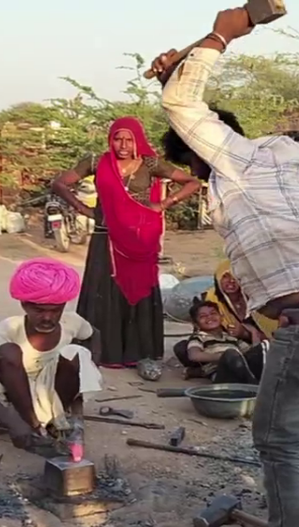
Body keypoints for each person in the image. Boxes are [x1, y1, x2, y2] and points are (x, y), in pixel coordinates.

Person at [153, 8, 299, 527]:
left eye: (183, 162)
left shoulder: (237, 158)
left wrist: (223, 31)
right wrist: (175, 66)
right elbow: (180, 94)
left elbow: (183, 104)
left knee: (279, 439)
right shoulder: (262, 169)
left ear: (198, 148)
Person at [51, 117, 201, 379]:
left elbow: (192, 182)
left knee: (139, 291)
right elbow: (60, 183)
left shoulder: (150, 163)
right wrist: (84, 209)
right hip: (105, 236)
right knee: (104, 291)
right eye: (118, 138)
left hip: (139, 238)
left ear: (137, 140)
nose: (122, 144)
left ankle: (141, 353)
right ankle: (99, 351)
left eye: (128, 139)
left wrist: (163, 204)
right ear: (111, 139)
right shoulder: (97, 162)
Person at [0, 258, 102, 455]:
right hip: (16, 397)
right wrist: (13, 423)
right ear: (24, 305)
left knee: (77, 353)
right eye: (38, 310)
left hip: (51, 395)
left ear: (63, 306)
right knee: (8, 352)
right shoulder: (7, 329)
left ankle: (57, 418)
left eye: (55, 310)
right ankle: (34, 424)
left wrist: (92, 367)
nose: (47, 317)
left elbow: (94, 334)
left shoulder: (71, 322)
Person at [177, 300, 265, 384]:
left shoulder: (231, 338)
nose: (209, 317)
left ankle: (254, 382)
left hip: (240, 370)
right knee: (231, 354)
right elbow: (194, 356)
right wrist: (224, 358)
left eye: (213, 313)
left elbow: (252, 352)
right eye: (203, 316)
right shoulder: (199, 337)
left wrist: (254, 333)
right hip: (222, 375)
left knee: (263, 349)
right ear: (196, 324)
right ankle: (253, 385)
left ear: (222, 317)